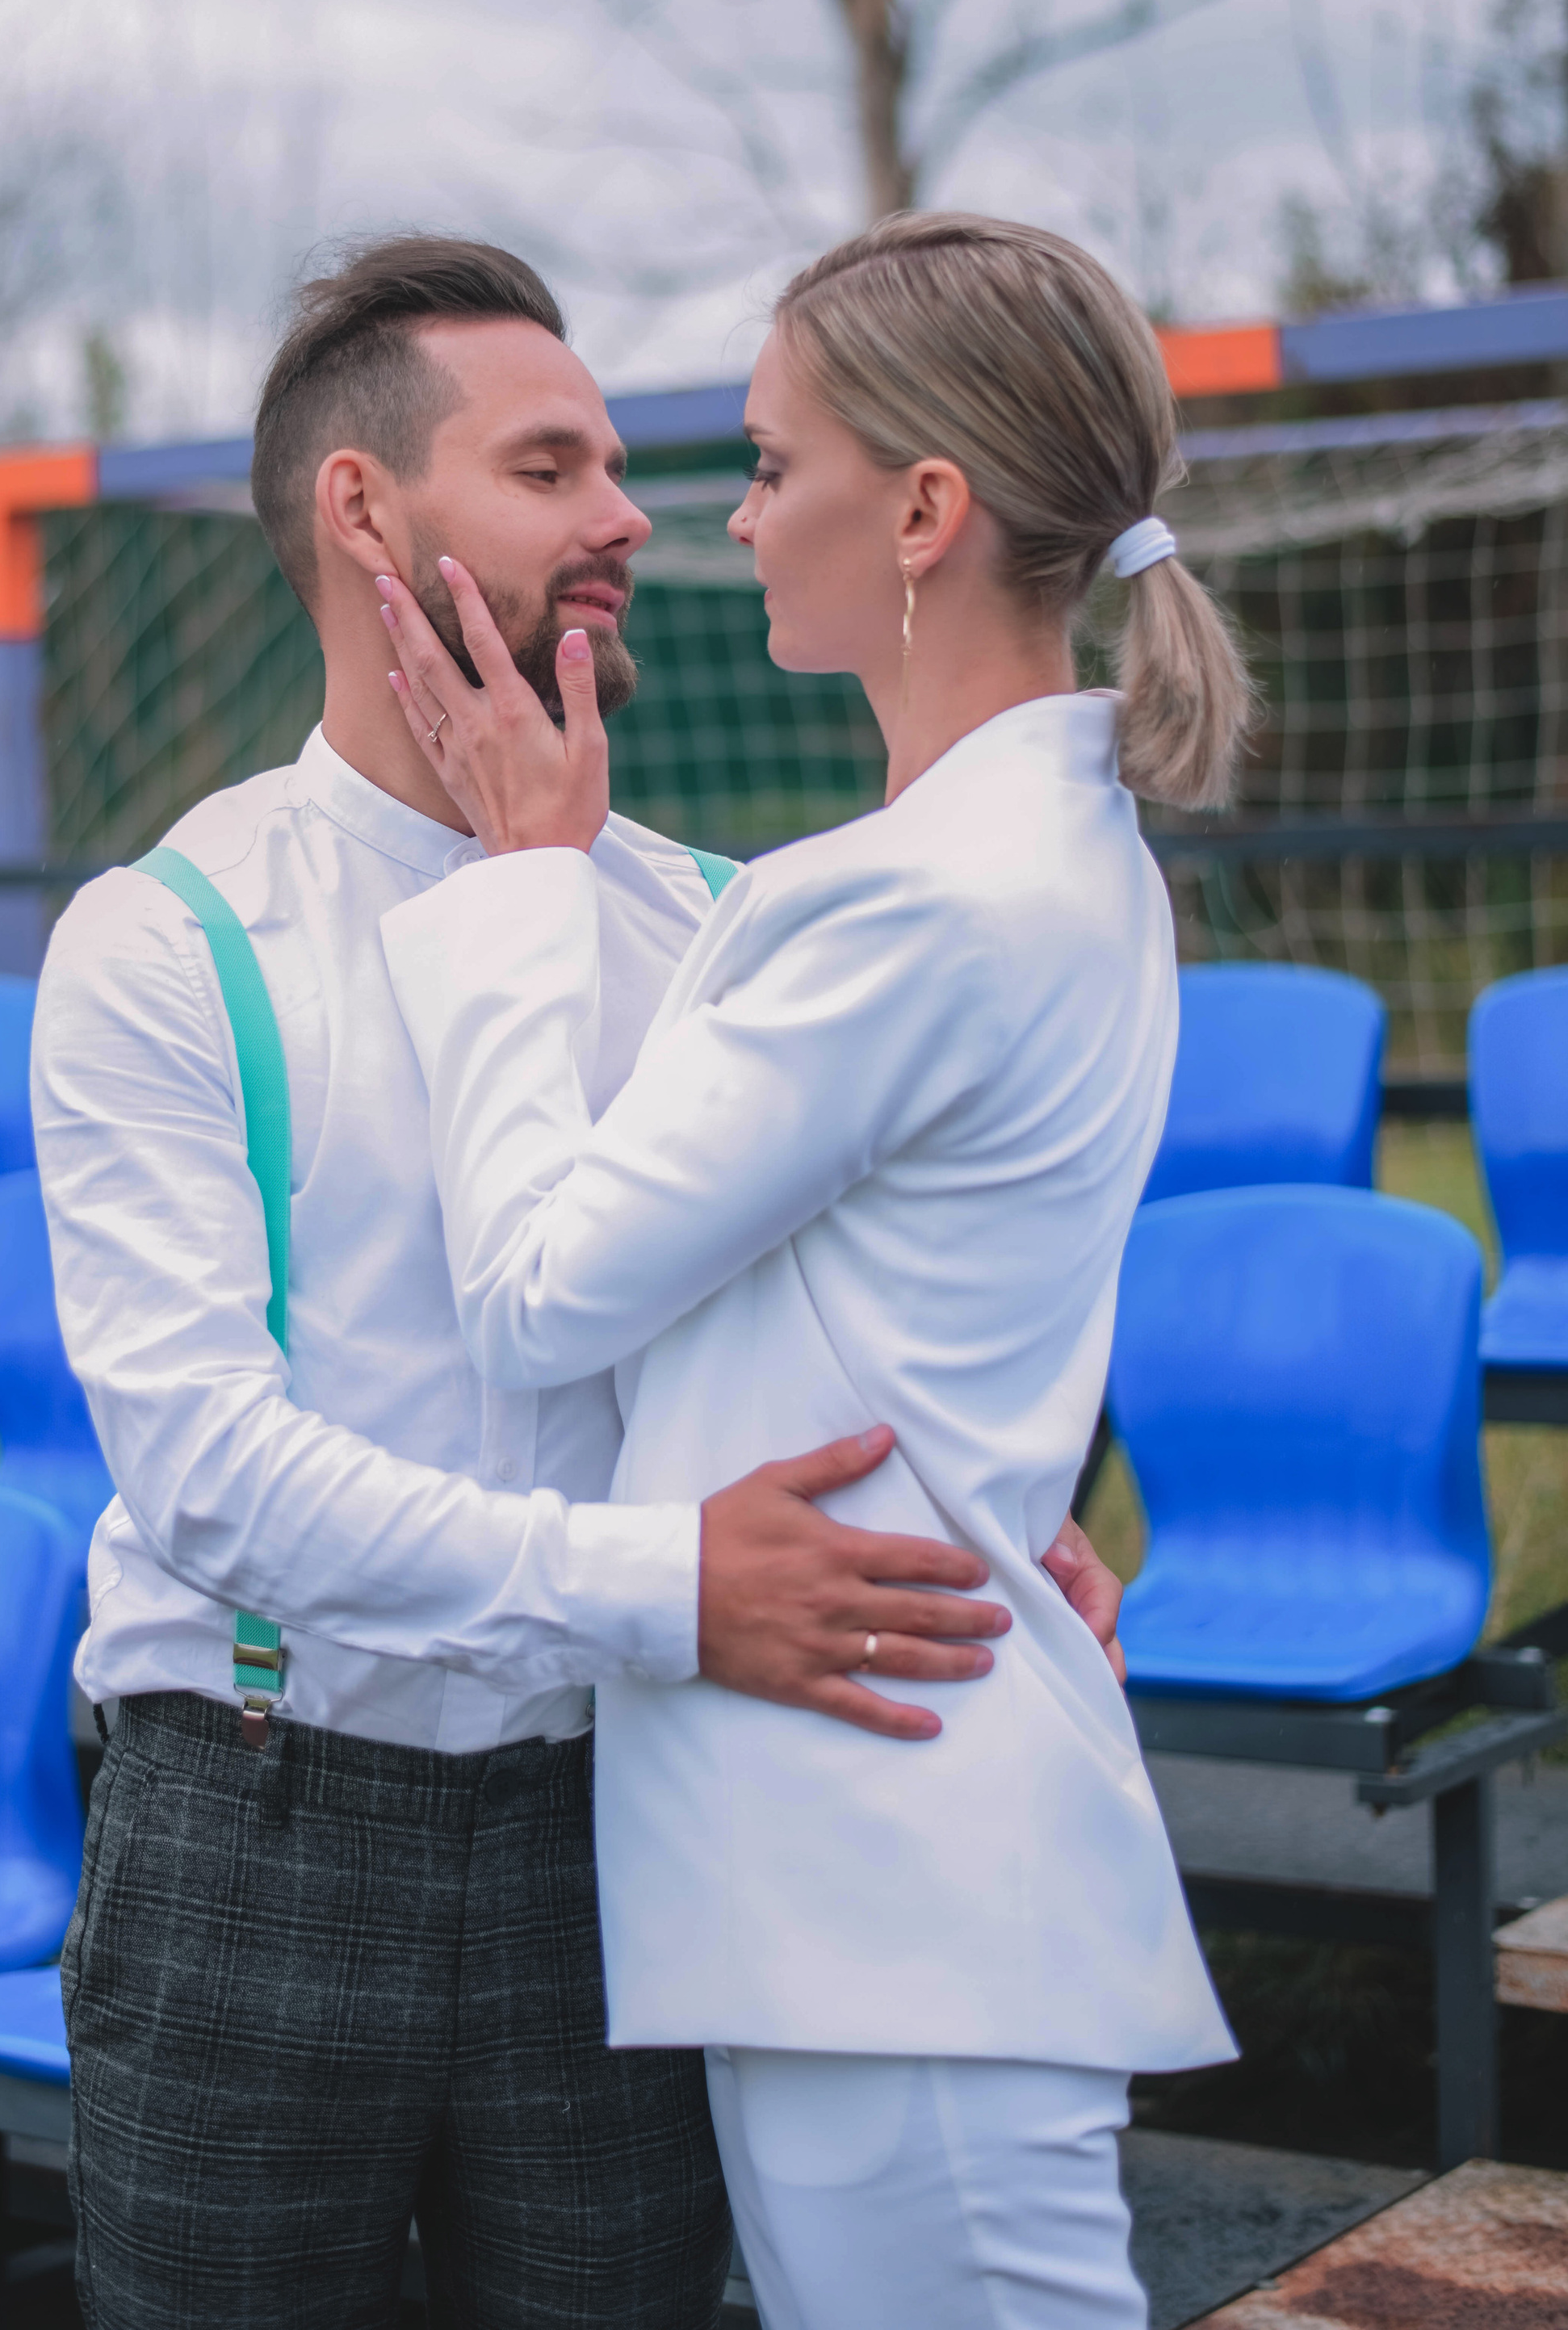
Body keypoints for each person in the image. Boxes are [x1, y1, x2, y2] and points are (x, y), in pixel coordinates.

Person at [36, 233, 1129, 2330]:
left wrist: (986, 1527)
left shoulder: (716, 922)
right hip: (258, 1834)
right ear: (367, 511)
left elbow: (796, 1342)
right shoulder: (166, 942)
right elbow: (208, 1480)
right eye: (553, 469)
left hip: (624, 1830)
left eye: (622, 464)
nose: (632, 514)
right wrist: (669, 1587)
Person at [375, 210, 1250, 2330]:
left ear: (926, 510)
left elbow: (539, 1288)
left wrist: (523, 889)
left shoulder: (916, 904)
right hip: (882, 1860)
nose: (736, 521)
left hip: (895, 1880)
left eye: (772, 467)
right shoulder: (1053, 855)